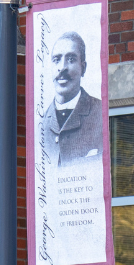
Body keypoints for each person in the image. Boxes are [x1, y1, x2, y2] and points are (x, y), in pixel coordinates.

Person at [40, 31, 104, 167]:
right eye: (56, 60)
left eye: (71, 59)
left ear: (83, 67)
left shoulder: (101, 113)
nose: (62, 68)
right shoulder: (40, 123)